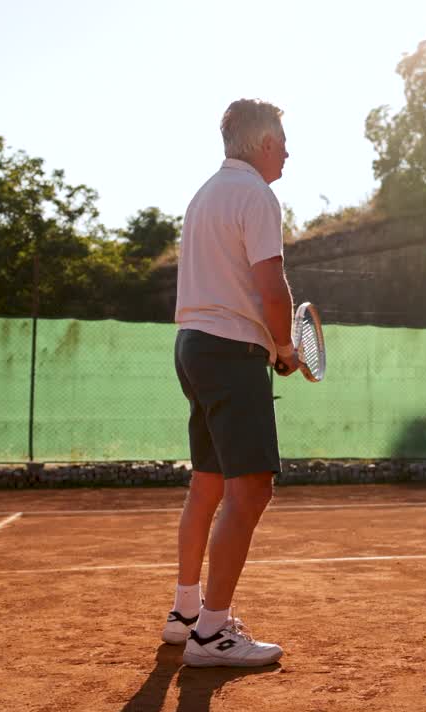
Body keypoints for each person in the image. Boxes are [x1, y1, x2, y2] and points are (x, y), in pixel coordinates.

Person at [162, 98, 298, 667]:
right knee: (252, 489)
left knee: (208, 485)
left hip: (193, 347)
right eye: (283, 140)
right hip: (229, 352)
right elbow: (272, 286)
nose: (288, 150)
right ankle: (212, 634)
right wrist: (285, 348)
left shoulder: (204, 195)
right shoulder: (256, 195)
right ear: (264, 142)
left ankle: (185, 613)